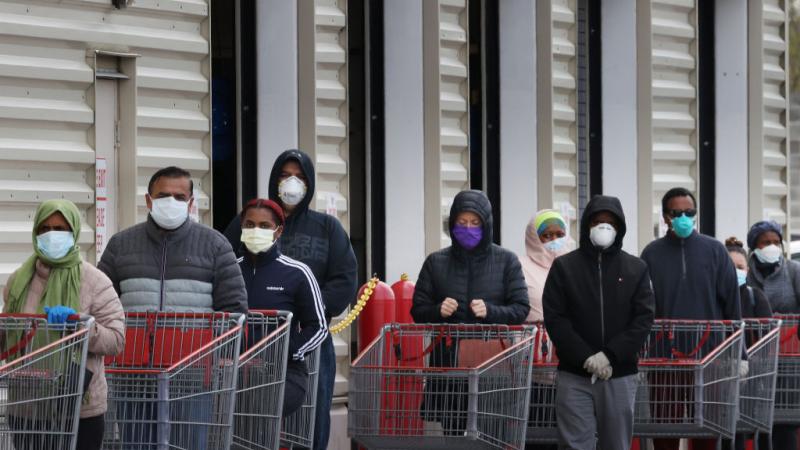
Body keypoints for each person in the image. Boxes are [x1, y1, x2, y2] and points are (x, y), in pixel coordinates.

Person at [98, 166, 247, 449]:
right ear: (148, 200)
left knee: (187, 443)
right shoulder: (121, 245)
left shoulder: (215, 245)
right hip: (132, 374)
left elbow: (234, 308)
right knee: (136, 444)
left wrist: (219, 357)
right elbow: (101, 302)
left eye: (180, 197)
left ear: (191, 203)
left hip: (190, 374)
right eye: (163, 195)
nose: (172, 202)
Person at [223, 149, 358, 450]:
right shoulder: (250, 221)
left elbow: (346, 278)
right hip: (253, 345)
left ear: (309, 184)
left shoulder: (327, 228)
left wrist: (308, 308)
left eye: (298, 177)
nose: (291, 182)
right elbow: (225, 267)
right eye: (284, 175)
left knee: (314, 414)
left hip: (307, 338)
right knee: (249, 416)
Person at [3, 199, 125, 450]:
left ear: (74, 232)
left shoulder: (94, 280)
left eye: (60, 229)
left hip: (80, 409)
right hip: (27, 407)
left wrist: (79, 326)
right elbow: (8, 335)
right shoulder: (19, 281)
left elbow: (116, 340)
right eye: (44, 229)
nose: (52, 235)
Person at [411, 189, 530, 435]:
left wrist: (491, 311)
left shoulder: (506, 260)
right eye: (462, 222)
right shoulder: (436, 262)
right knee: (453, 432)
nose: (468, 228)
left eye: (475, 223)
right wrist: (437, 311)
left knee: (492, 433)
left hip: (492, 365)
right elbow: (418, 310)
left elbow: (520, 309)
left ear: (486, 225)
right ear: (452, 223)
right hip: (448, 364)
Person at [542, 195, 655, 450]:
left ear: (620, 228)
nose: (604, 227)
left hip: (619, 374)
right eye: (597, 221)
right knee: (574, 444)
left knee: (616, 444)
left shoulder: (636, 268)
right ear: (586, 225)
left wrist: (610, 355)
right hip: (574, 373)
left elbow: (643, 318)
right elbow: (556, 318)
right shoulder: (564, 267)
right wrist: (585, 357)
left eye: (610, 222)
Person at [640, 187, 742, 450]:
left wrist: (739, 353)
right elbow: (642, 307)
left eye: (690, 212)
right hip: (664, 360)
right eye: (677, 213)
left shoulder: (715, 251)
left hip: (710, 358)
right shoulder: (651, 254)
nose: (684, 217)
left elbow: (732, 304)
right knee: (665, 431)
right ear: (665, 217)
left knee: (707, 432)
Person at [237, 198, 328, 416]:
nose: (255, 230)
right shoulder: (230, 270)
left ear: (278, 231)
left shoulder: (298, 273)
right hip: (234, 371)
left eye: (264, 226)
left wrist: (287, 353)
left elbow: (318, 327)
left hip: (284, 373)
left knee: (261, 402)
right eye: (250, 225)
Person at [519, 209, 574, 450]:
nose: (554, 241)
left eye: (559, 234)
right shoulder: (520, 267)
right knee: (538, 436)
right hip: (536, 370)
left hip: (573, 367)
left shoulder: (577, 265)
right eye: (546, 235)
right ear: (534, 237)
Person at [745, 220, 800, 450]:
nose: (772, 246)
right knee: (758, 419)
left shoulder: (793, 271)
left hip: (789, 359)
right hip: (757, 359)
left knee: (785, 420)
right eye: (766, 242)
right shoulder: (746, 276)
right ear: (755, 247)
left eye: (776, 242)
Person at [723, 237, 772, 450]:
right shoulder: (716, 296)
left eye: (740, 267)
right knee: (722, 427)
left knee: (742, 427)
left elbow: (768, 337)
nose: (736, 271)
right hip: (719, 374)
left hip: (749, 375)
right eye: (731, 267)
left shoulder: (756, 297)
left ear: (748, 271)